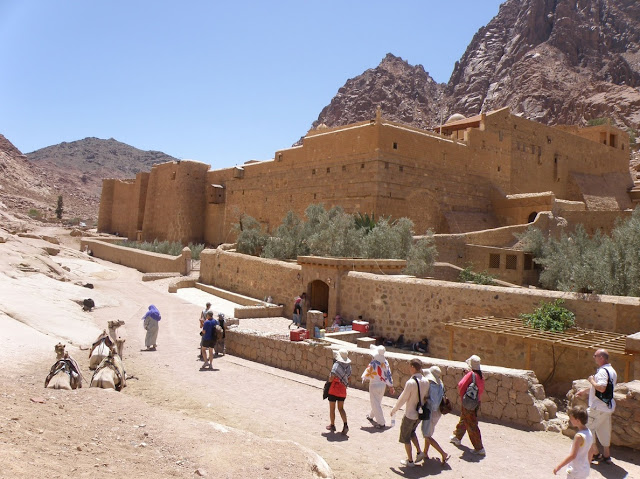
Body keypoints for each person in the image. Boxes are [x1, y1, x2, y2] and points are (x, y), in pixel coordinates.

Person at [577, 348, 617, 464]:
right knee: (604, 429)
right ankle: (607, 455)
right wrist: (585, 391)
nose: (594, 358)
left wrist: (591, 381)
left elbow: (602, 388)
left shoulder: (602, 372)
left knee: (586, 427)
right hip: (607, 407)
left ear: (601, 358)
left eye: (595, 356)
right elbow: (603, 388)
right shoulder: (611, 370)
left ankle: (595, 453)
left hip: (598, 407)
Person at [390, 359, 428, 467]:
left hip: (410, 414)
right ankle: (419, 452)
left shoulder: (411, 383)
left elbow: (402, 399)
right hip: (419, 414)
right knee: (412, 432)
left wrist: (394, 410)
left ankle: (410, 461)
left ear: (412, 367)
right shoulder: (426, 381)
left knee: (405, 437)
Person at [450, 354, 486, 455]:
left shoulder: (471, 375)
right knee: (464, 418)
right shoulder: (480, 375)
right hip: (476, 401)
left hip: (468, 401)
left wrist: (462, 396)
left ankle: (479, 448)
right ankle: (457, 437)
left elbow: (461, 384)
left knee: (471, 424)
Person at [421, 366, 450, 464]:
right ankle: (425, 452)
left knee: (426, 435)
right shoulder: (440, 383)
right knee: (428, 433)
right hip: (437, 412)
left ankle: (443, 453)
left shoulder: (432, 385)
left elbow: (433, 403)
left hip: (431, 412)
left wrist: (425, 399)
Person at [553, 405, 593, 477]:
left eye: (572, 418)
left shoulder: (579, 436)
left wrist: (559, 466)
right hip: (584, 470)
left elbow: (572, 455)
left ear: (578, 420)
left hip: (575, 471)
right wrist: (587, 465)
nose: (570, 420)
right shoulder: (589, 432)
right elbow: (591, 450)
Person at [361, 345, 395, 428]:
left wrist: (364, 378)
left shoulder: (373, 362)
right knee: (377, 402)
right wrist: (391, 386)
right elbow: (388, 375)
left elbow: (367, 372)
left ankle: (381, 422)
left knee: (375, 403)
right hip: (382, 385)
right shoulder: (386, 362)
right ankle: (371, 416)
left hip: (374, 384)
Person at [326, 348, 352, 436]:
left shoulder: (336, 365)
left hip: (334, 389)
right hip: (342, 390)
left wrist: (328, 383)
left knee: (332, 408)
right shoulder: (348, 366)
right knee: (341, 408)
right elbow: (349, 378)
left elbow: (331, 376)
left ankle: (332, 425)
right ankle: (345, 425)